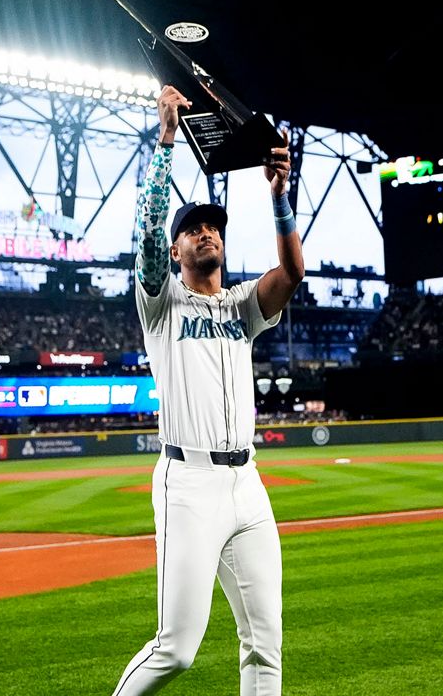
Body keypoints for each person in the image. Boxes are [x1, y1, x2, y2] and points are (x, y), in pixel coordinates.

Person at [112, 85, 302, 696]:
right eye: (191, 230)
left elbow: (292, 274)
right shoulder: (161, 302)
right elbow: (144, 242)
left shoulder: (242, 305)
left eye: (212, 227)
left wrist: (279, 200)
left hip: (247, 484)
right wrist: (165, 142)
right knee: (178, 649)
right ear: (175, 249)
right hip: (187, 483)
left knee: (265, 645)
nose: (205, 234)